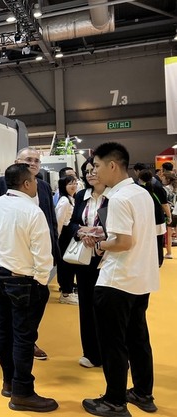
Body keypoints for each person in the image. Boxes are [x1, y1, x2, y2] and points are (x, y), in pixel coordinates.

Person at [82, 142, 160, 417]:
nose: (94, 172)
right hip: (140, 278)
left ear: (112, 165)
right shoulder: (141, 193)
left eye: (97, 166)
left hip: (117, 281)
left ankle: (114, 401)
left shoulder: (118, 198)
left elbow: (124, 242)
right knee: (138, 338)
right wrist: (108, 238)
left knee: (113, 343)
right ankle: (143, 393)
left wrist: (100, 244)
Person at [0, 163, 57, 413]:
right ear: (26, 183)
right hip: (24, 280)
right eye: (34, 180)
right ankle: (22, 392)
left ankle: (8, 382)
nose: (37, 184)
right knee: (24, 336)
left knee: (4, 330)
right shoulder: (32, 211)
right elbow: (43, 254)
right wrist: (41, 282)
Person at [67, 157, 109, 369]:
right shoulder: (81, 195)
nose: (90, 174)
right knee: (86, 305)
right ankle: (91, 353)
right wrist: (81, 232)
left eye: (94, 169)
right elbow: (73, 222)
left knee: (109, 307)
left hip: (109, 257)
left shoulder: (114, 196)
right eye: (87, 170)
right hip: (84, 257)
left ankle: (113, 354)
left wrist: (99, 234)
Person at [137, 169, 170, 267]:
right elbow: (165, 204)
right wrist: (169, 216)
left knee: (146, 241)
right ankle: (159, 261)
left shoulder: (138, 189)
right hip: (158, 218)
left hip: (144, 218)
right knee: (159, 241)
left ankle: (148, 261)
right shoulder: (158, 187)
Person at [55, 175, 78, 305]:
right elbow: (59, 221)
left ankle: (68, 290)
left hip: (70, 234)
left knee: (70, 264)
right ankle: (65, 293)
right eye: (70, 184)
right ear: (64, 186)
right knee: (66, 265)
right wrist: (57, 240)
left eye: (75, 183)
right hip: (64, 235)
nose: (73, 186)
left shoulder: (72, 199)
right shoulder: (64, 201)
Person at [160, 171, 176, 258]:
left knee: (168, 234)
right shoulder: (175, 188)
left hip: (169, 211)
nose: (161, 179)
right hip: (175, 210)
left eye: (163, 177)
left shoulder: (165, 189)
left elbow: (164, 202)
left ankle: (169, 252)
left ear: (168, 179)